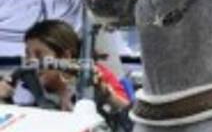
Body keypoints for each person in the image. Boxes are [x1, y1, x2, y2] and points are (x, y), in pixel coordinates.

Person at [0, 19, 130, 111]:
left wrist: (106, 94)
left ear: (65, 56)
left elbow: (127, 112)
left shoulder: (93, 74)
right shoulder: (25, 83)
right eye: (28, 54)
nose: (31, 62)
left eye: (40, 55)